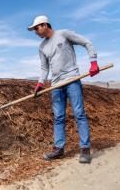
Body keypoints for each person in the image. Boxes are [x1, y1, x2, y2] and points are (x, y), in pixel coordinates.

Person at [28, 15, 99, 163]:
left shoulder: (64, 34)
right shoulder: (41, 47)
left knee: (79, 113)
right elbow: (44, 67)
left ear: (44, 25)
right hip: (56, 85)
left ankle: (85, 149)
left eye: (36, 28)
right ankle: (58, 149)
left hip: (72, 80)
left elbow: (87, 42)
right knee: (58, 117)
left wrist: (93, 62)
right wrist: (40, 83)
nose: (35, 32)